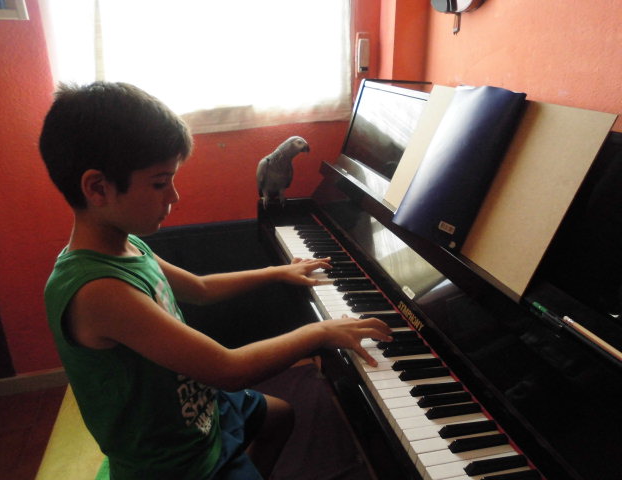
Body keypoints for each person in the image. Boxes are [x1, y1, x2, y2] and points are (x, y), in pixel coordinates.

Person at [39, 81, 392, 480]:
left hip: (198, 408)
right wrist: (321, 332)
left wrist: (277, 271)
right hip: (176, 460)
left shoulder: (127, 244)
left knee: (280, 416)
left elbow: (200, 289)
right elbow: (228, 369)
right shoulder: (98, 291)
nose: (174, 196)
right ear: (98, 188)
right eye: (160, 182)